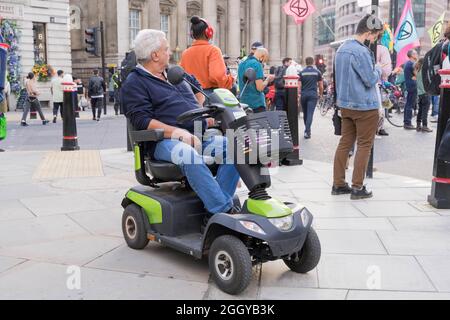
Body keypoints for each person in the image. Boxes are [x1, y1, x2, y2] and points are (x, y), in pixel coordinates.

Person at [121, 29, 241, 215]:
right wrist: (179, 133)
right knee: (188, 155)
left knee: (238, 146)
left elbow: (197, 87)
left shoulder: (174, 73)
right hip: (163, 142)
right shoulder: (135, 82)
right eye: (166, 49)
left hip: (199, 135)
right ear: (155, 55)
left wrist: (200, 113)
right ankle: (223, 211)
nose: (170, 53)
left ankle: (215, 207)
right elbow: (142, 121)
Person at [332, 14, 383, 200]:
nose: (375, 40)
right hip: (364, 106)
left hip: (345, 105)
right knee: (364, 145)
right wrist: (378, 68)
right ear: (369, 33)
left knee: (345, 143)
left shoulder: (341, 49)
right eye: (375, 36)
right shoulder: (362, 52)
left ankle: (338, 184)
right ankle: (357, 187)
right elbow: (370, 79)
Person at [180, 16, 234, 96]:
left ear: (192, 34)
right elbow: (217, 76)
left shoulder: (185, 53)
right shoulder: (213, 50)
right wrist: (230, 79)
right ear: (209, 32)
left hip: (191, 96)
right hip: (209, 95)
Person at [238, 47, 274, 113]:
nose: (263, 63)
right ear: (262, 57)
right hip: (256, 103)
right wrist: (268, 79)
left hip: (244, 102)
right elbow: (260, 88)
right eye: (264, 61)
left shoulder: (241, 64)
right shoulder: (257, 64)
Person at [299, 57, 324, 139]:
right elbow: (320, 85)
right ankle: (307, 131)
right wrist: (320, 94)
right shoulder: (317, 72)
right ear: (313, 62)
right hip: (313, 95)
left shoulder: (301, 72)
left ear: (305, 62)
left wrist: (298, 94)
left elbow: (298, 86)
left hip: (303, 94)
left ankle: (307, 130)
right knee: (310, 114)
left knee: (305, 114)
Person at [376, 44, 392, 137]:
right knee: (382, 107)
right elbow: (386, 71)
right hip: (381, 83)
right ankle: (380, 127)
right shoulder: (383, 49)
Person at [415, 58, 433, 133]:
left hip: (420, 94)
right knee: (425, 110)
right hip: (426, 93)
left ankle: (418, 125)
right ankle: (424, 126)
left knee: (420, 110)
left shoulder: (418, 71)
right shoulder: (425, 71)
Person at [403, 49, 419, 130]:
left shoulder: (408, 63)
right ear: (412, 55)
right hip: (412, 86)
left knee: (408, 104)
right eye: (415, 53)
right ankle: (408, 123)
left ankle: (406, 122)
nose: (417, 54)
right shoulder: (412, 64)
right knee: (410, 104)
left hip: (410, 85)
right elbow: (418, 74)